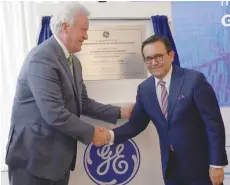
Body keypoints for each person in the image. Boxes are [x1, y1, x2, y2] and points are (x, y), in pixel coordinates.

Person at [5, 2, 133, 185]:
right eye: (83, 29)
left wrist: (121, 112)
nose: (86, 36)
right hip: (33, 160)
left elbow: (83, 102)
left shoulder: (74, 62)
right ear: (65, 27)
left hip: (57, 161)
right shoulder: (42, 58)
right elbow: (54, 112)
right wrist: (92, 132)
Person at [94, 35, 228, 185]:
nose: (154, 63)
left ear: (171, 55)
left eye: (158, 57)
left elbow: (213, 124)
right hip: (171, 169)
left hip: (202, 168)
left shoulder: (194, 80)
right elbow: (136, 124)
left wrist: (217, 164)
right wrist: (109, 135)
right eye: (148, 58)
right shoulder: (144, 89)